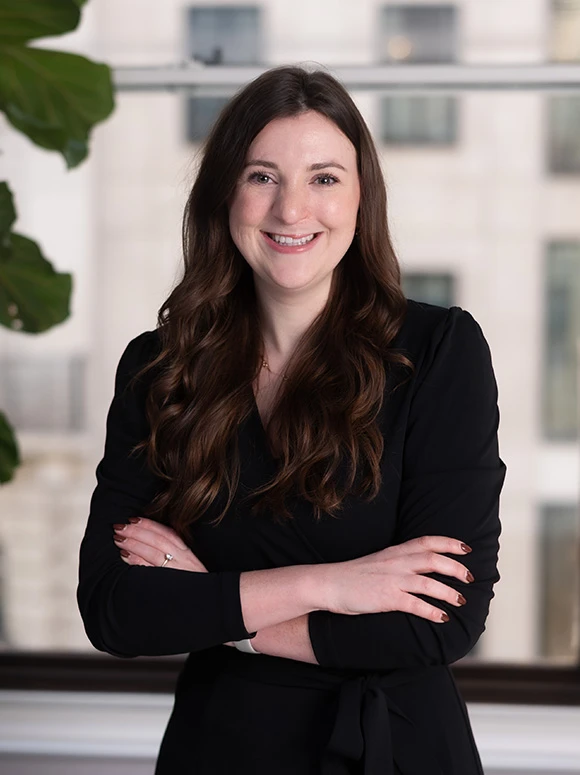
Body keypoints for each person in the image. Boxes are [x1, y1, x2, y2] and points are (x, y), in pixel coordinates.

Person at [77, 65, 507, 774]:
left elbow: (442, 621)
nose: (292, 209)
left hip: (393, 750)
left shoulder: (438, 352)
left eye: (325, 178)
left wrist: (223, 612)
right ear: (225, 193)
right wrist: (333, 584)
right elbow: (116, 606)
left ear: (362, 196)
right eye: (263, 176)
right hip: (219, 749)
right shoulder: (161, 368)